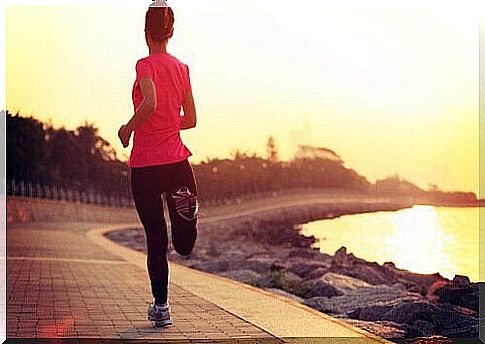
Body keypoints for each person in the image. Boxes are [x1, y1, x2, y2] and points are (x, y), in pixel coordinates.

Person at [118, 3, 198, 328]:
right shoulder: (182, 68)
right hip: (177, 163)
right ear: (171, 32)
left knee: (155, 240)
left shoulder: (144, 64)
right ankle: (187, 225)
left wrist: (127, 129)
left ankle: (161, 308)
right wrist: (169, 122)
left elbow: (149, 103)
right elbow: (191, 120)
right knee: (183, 245)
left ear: (145, 32)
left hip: (146, 168)